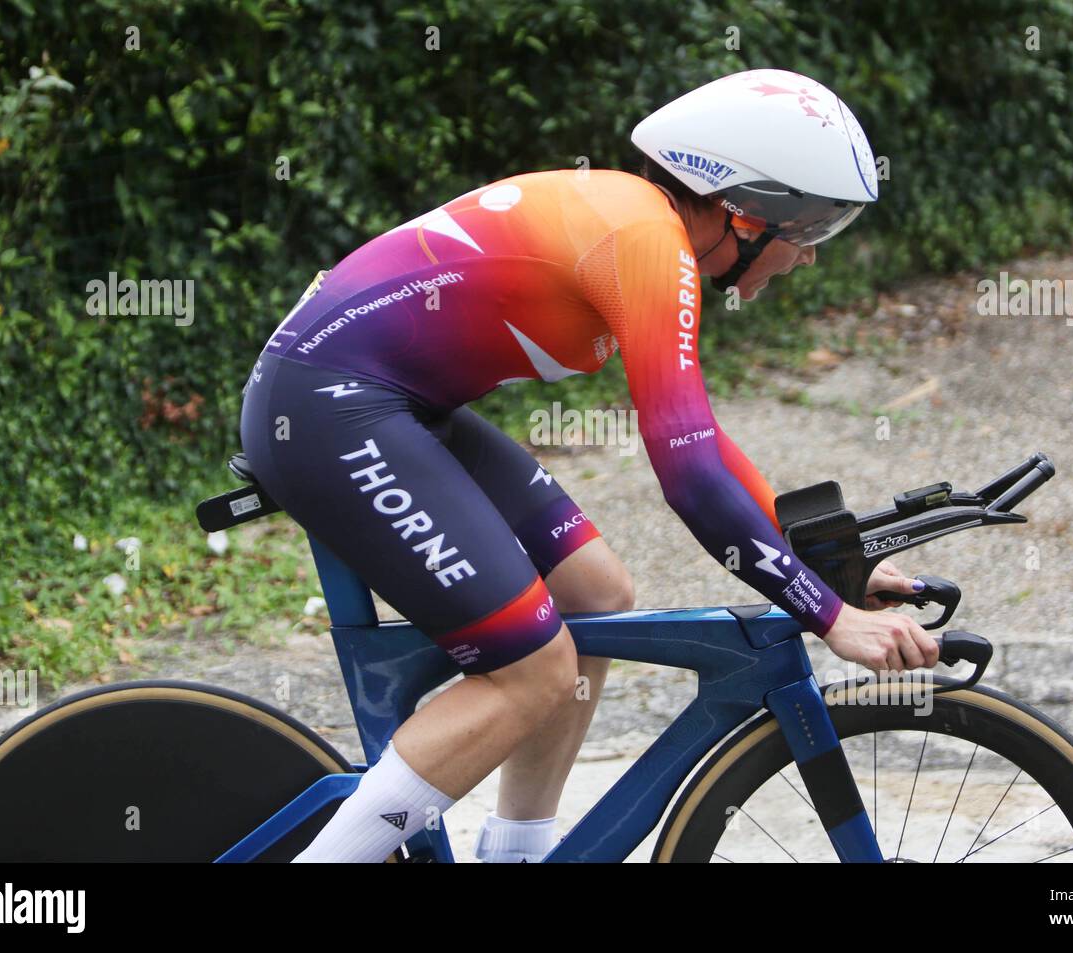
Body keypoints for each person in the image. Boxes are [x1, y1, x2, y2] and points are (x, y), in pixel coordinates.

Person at [239, 68, 939, 864]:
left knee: (596, 596)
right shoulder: (642, 242)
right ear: (744, 215)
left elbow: (700, 441)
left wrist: (815, 554)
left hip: (385, 401)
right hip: (331, 406)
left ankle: (519, 853)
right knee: (534, 670)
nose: (808, 258)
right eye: (807, 230)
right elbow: (689, 473)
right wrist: (829, 614)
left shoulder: (644, 224)